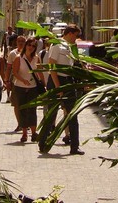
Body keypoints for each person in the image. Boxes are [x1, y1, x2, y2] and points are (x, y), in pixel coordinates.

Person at [38, 23, 84, 155]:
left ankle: (75, 146)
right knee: (52, 114)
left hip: (68, 81)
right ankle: (42, 142)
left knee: (72, 114)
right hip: (57, 80)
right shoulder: (57, 45)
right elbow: (52, 66)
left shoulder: (71, 47)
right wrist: (58, 87)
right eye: (75, 36)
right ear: (69, 34)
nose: (76, 39)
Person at [12, 37, 41, 142]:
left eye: (33, 46)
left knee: (32, 110)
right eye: (29, 45)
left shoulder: (36, 58)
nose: (31, 47)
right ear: (26, 45)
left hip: (33, 87)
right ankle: (24, 133)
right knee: (22, 110)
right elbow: (15, 72)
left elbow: (39, 72)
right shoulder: (18, 58)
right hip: (20, 87)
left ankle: (34, 133)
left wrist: (43, 83)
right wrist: (23, 80)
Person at [5, 34, 26, 131]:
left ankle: (26, 123)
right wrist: (6, 81)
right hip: (15, 82)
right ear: (16, 43)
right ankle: (20, 124)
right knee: (17, 104)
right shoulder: (12, 54)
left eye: (23, 41)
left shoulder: (29, 53)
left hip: (27, 83)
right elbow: (8, 68)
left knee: (26, 104)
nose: (21, 43)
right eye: (19, 41)